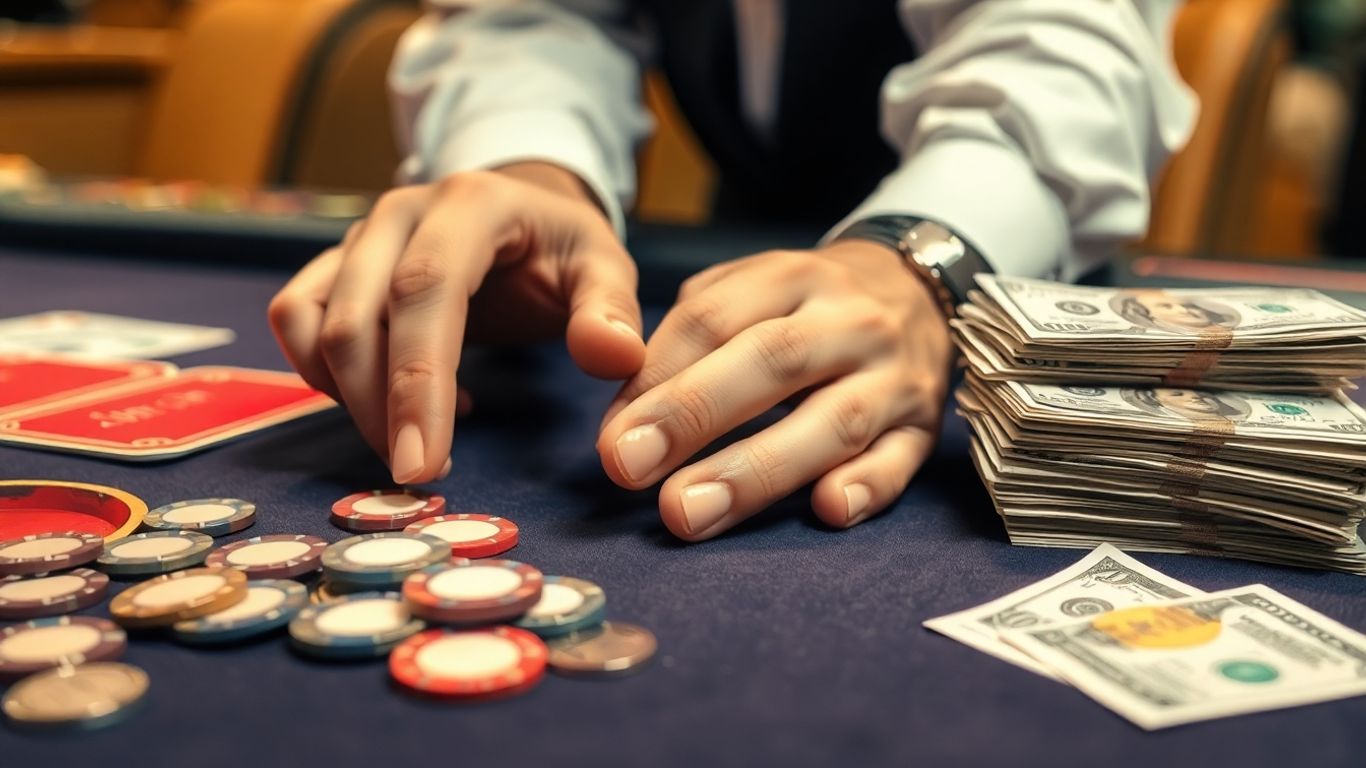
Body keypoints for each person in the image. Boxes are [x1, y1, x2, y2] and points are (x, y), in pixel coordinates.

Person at [268, 0, 1196, 542]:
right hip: (740, 249)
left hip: (1026, 269)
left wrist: (921, 259)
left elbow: (1066, 38)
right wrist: (527, 166)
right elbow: (540, 17)